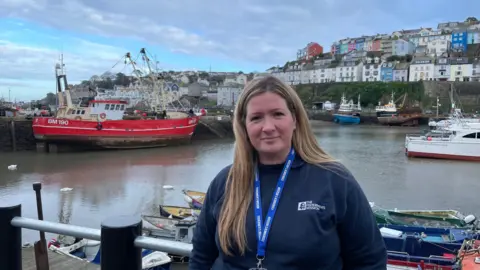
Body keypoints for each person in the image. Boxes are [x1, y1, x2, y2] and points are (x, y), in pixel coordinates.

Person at [189, 76, 387, 270]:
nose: (268, 127)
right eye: (256, 118)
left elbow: (369, 261)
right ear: (244, 126)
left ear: (294, 119)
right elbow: (201, 256)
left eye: (277, 114)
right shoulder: (225, 182)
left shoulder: (335, 180)